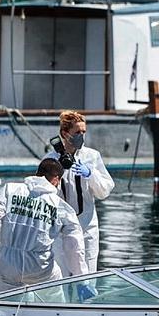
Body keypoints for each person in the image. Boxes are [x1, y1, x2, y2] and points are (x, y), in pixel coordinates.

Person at [0, 159, 89, 292]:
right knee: (53, 303)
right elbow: (74, 246)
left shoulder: (9, 190)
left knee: (5, 307)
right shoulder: (61, 206)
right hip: (40, 268)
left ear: (37, 173)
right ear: (56, 179)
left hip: (7, 264)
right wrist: (82, 279)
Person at [44, 110, 113, 272]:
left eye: (83, 132)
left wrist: (91, 174)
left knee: (87, 277)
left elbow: (105, 190)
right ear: (65, 133)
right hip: (60, 231)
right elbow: (41, 195)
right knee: (61, 278)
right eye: (77, 132)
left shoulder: (92, 156)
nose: (81, 136)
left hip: (86, 228)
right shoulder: (51, 160)